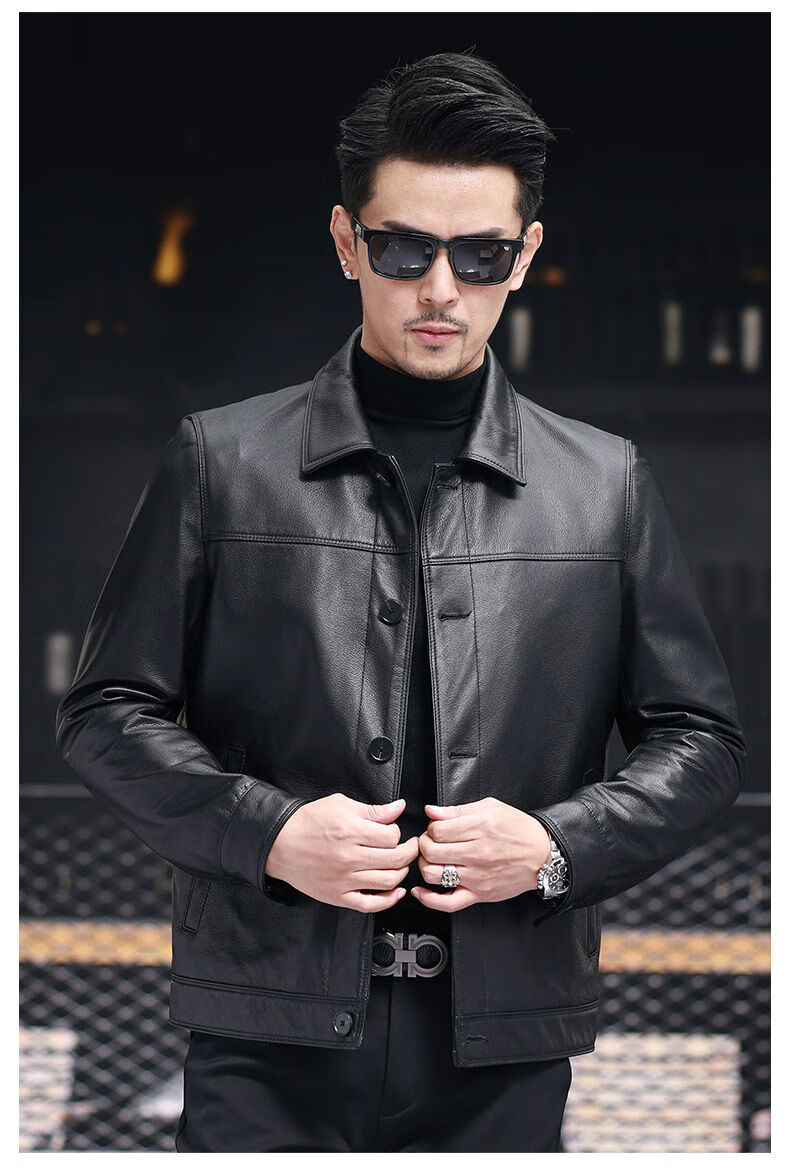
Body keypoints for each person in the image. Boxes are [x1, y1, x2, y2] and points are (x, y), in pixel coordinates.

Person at [54, 51, 747, 1153]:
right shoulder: (222, 462)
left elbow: (701, 742)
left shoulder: (603, 484)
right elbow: (104, 714)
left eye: (479, 255)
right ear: (347, 242)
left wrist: (556, 845)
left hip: (503, 1042)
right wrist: (271, 833)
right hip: (266, 1029)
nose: (440, 290)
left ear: (524, 257)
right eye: (404, 248)